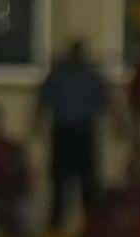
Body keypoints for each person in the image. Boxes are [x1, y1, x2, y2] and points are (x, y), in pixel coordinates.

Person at [35, 39, 109, 227]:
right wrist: (37, 125)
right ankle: (57, 231)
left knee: (87, 187)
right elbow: (43, 103)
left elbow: (105, 102)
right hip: (66, 133)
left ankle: (93, 228)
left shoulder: (89, 77)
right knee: (61, 187)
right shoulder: (60, 76)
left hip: (81, 133)